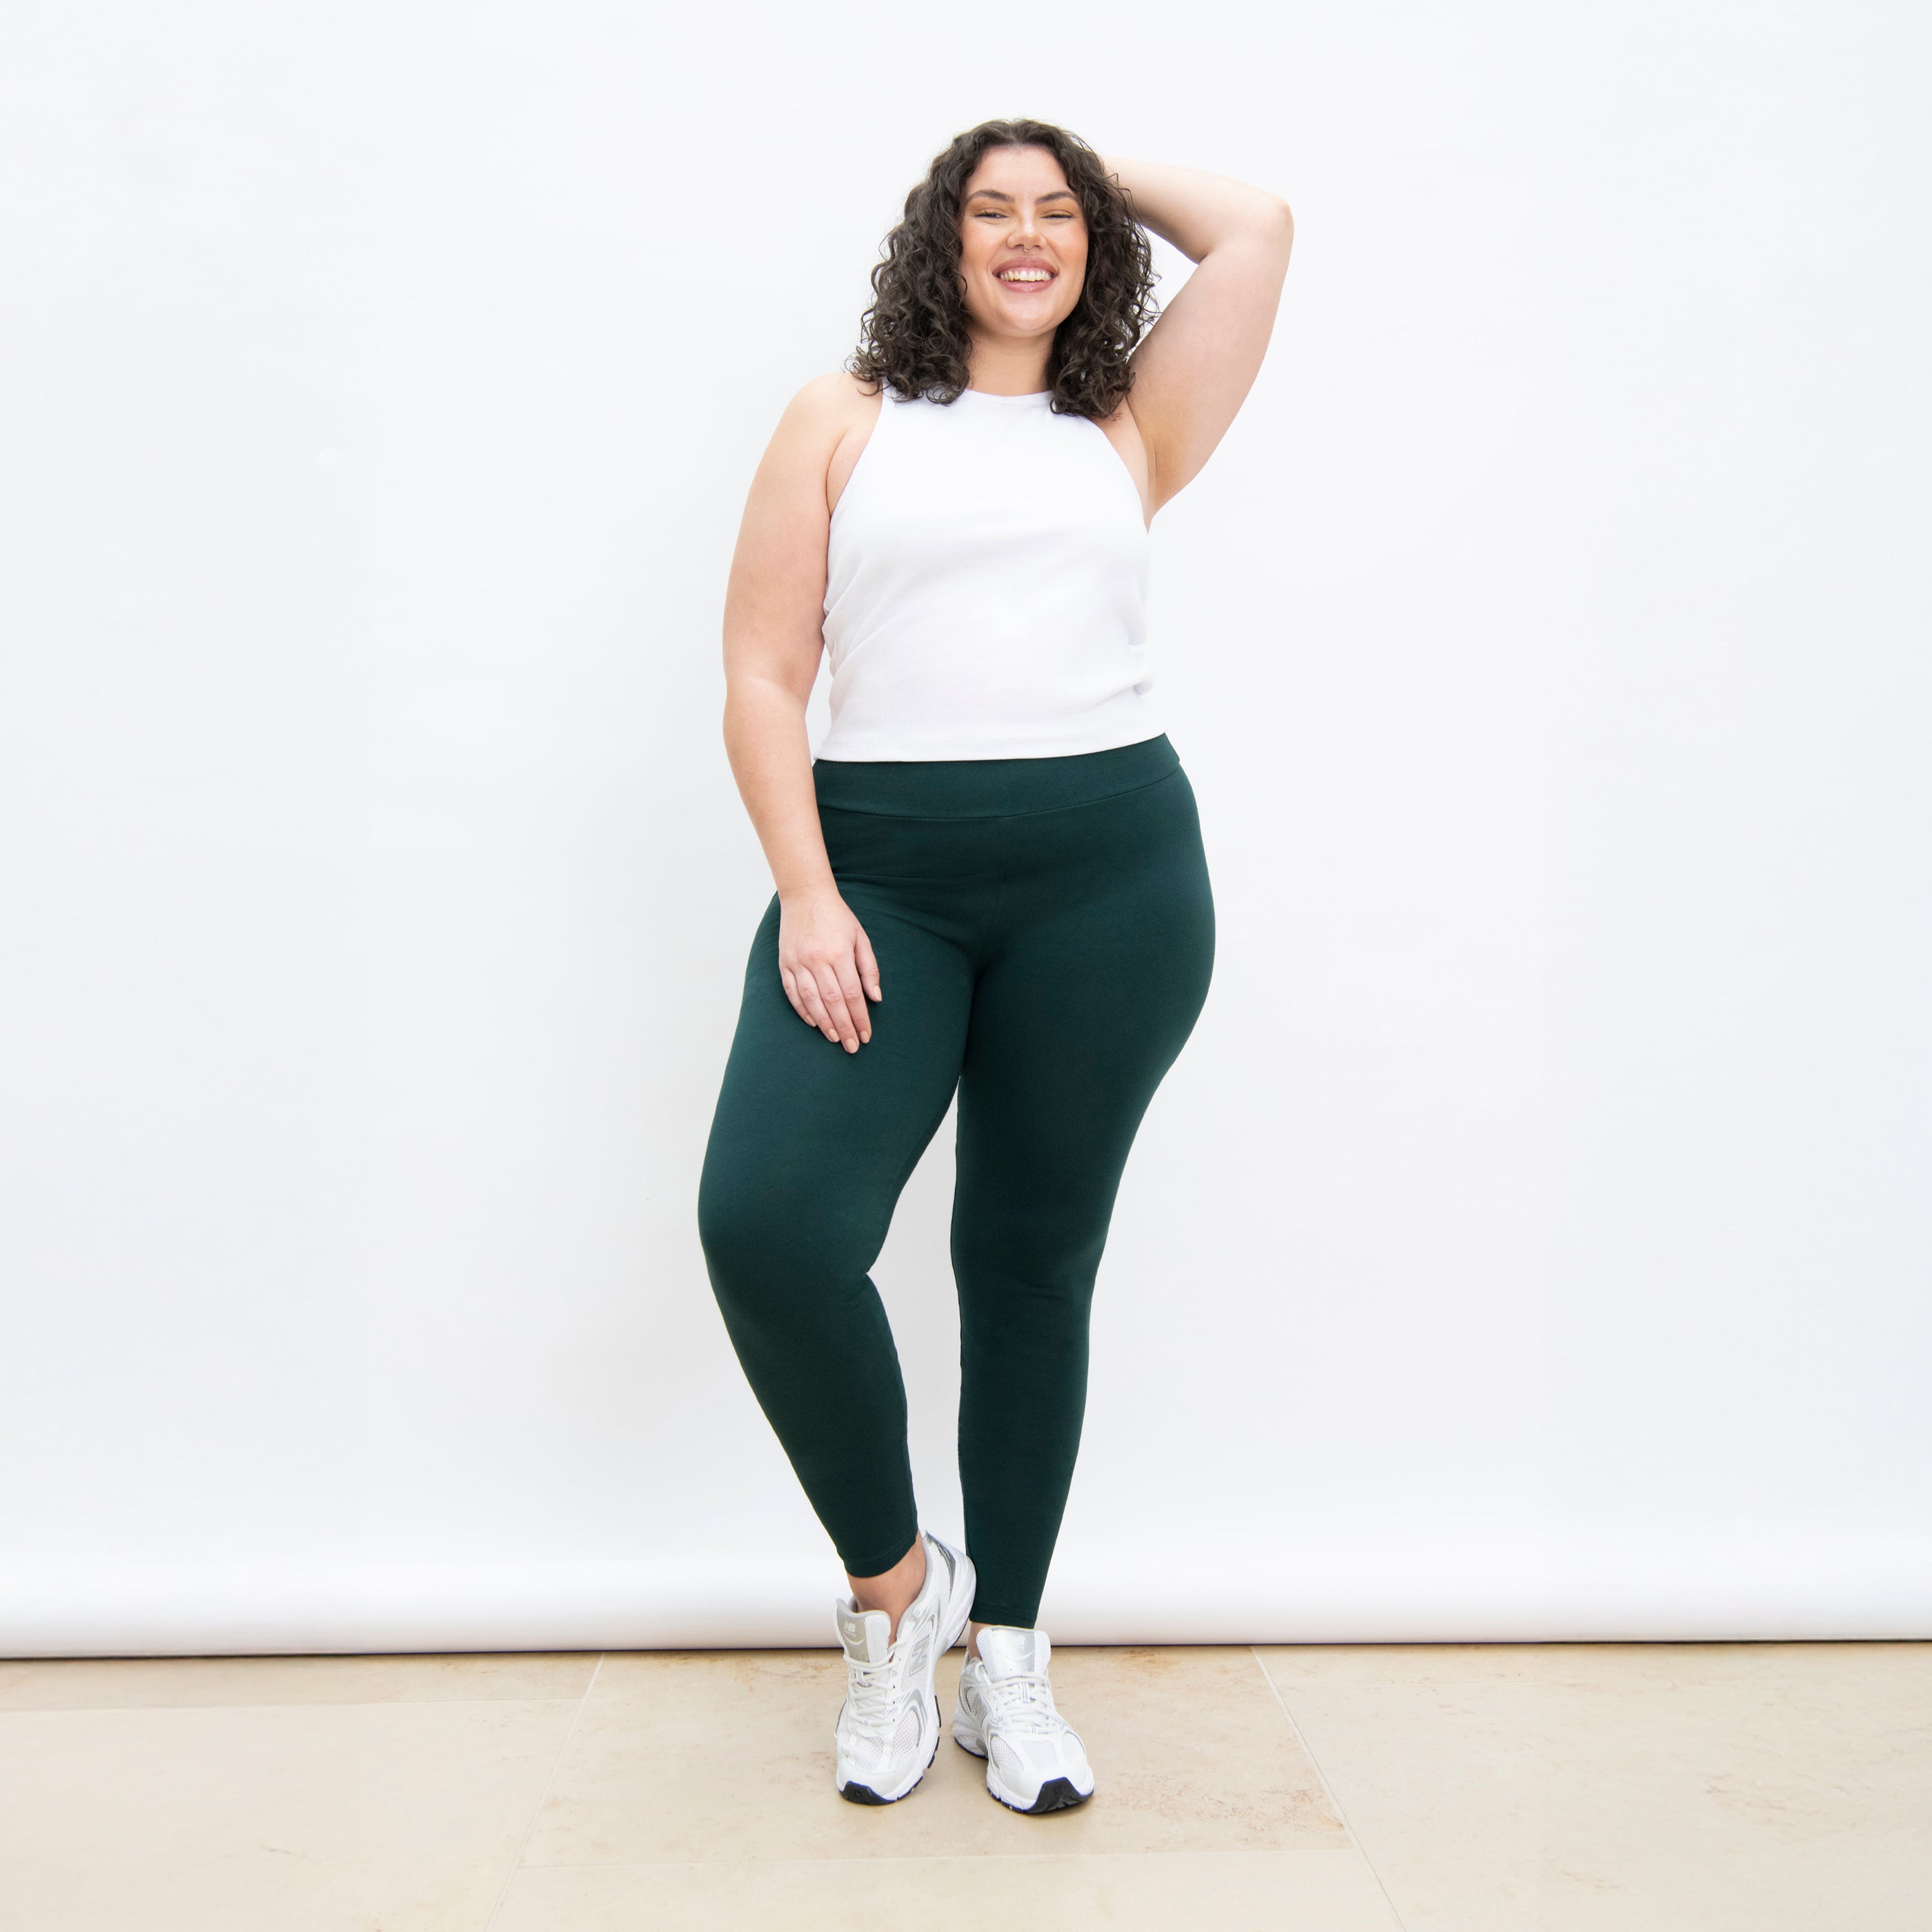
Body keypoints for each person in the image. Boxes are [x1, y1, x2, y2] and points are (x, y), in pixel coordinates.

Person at [697, 118, 1292, 1813]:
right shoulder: (843, 417)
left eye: (1055, 215)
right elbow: (761, 674)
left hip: (1111, 882)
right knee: (770, 1225)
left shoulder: (1126, 425)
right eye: (990, 209)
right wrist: (809, 895)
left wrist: (1081, 162)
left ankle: (1008, 1654)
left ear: (1091, 240)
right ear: (937, 237)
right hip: (879, 877)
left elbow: (1254, 225)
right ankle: (898, 1595)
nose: (1025, 235)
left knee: (1029, 1262)